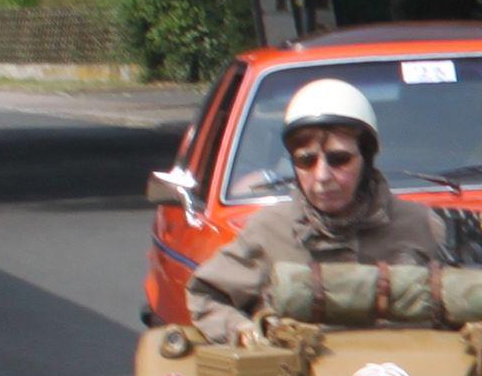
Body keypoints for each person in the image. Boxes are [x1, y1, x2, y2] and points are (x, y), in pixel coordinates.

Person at [187, 79, 447, 343]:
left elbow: (470, 305)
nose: (322, 176)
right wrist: (244, 332)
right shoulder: (269, 230)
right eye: (306, 161)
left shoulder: (422, 225)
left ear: (366, 158)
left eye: (339, 159)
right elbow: (205, 295)